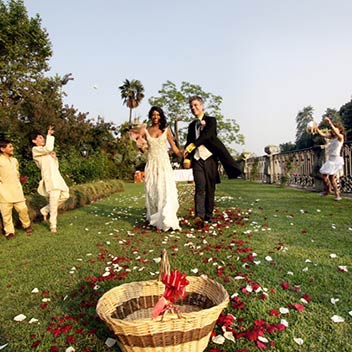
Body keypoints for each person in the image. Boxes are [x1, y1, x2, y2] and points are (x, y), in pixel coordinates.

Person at [183, 95, 241, 228]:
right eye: (191, 106)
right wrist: (187, 155)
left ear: (202, 106)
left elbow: (207, 136)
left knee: (210, 188)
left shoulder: (211, 120)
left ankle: (208, 216)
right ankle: (199, 217)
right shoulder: (192, 125)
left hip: (209, 158)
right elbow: (188, 141)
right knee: (200, 187)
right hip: (197, 159)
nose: (193, 108)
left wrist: (193, 145)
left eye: (196, 105)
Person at [130, 106, 182, 231]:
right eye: (153, 114)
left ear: (161, 116)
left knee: (165, 190)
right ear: (150, 116)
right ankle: (154, 219)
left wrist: (183, 155)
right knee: (153, 191)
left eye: (158, 115)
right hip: (152, 164)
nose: (156, 117)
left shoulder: (166, 130)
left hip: (164, 165)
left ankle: (166, 219)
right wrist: (140, 145)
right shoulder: (146, 131)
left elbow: (174, 148)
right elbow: (141, 145)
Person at [32, 126, 70, 232]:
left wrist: (55, 158)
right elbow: (48, 148)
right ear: (34, 141)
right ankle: (53, 225)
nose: (42, 139)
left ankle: (45, 210)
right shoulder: (35, 150)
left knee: (66, 195)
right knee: (53, 202)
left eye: (42, 137)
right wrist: (49, 135)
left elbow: (55, 166)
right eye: (39, 138)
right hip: (50, 180)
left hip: (57, 178)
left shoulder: (46, 152)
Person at [0, 139, 32, 239]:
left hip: (17, 189)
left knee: (23, 209)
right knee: (6, 214)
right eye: (10, 147)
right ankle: (9, 232)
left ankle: (27, 225)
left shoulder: (14, 160)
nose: (12, 148)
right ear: (2, 149)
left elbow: (17, 173)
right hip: (3, 191)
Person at [314, 117, 345, 201]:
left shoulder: (340, 137)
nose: (334, 131)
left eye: (336, 129)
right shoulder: (332, 138)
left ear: (339, 131)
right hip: (330, 160)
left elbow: (335, 131)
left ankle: (334, 194)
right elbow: (322, 134)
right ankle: (329, 191)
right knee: (328, 177)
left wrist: (330, 123)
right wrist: (316, 128)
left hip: (335, 160)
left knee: (329, 177)